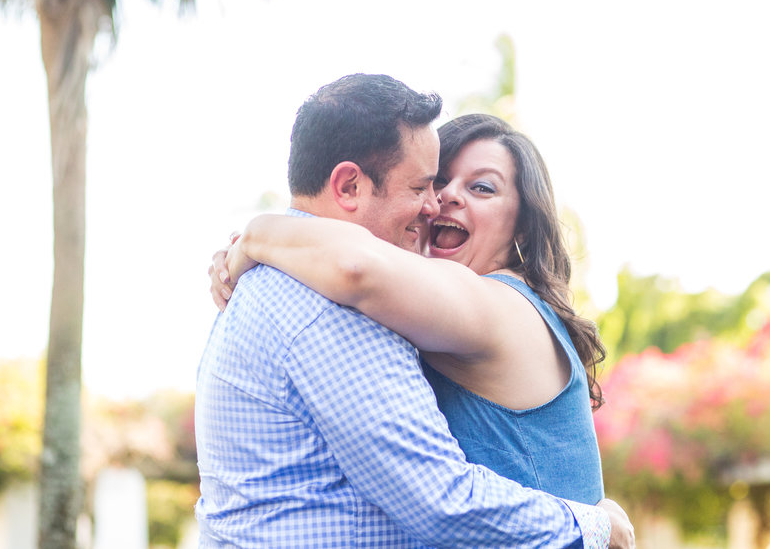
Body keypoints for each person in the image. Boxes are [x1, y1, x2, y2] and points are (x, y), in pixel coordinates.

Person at [195, 74, 634, 548]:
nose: (440, 200)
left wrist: (259, 234)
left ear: (523, 229)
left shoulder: (500, 304)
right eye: (433, 182)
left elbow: (356, 264)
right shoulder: (330, 301)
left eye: (482, 189)